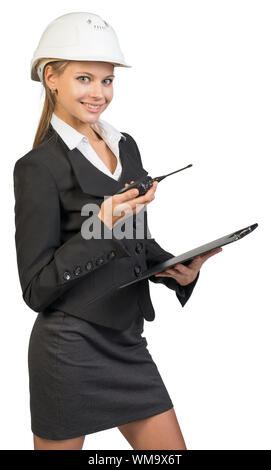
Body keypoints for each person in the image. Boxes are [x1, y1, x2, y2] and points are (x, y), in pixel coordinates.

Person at [13, 12, 222, 451]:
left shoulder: (124, 144)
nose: (99, 93)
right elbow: (35, 288)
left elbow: (136, 242)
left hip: (127, 340)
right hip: (68, 348)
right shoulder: (37, 168)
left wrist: (176, 270)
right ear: (51, 78)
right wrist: (101, 227)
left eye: (107, 80)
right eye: (84, 78)